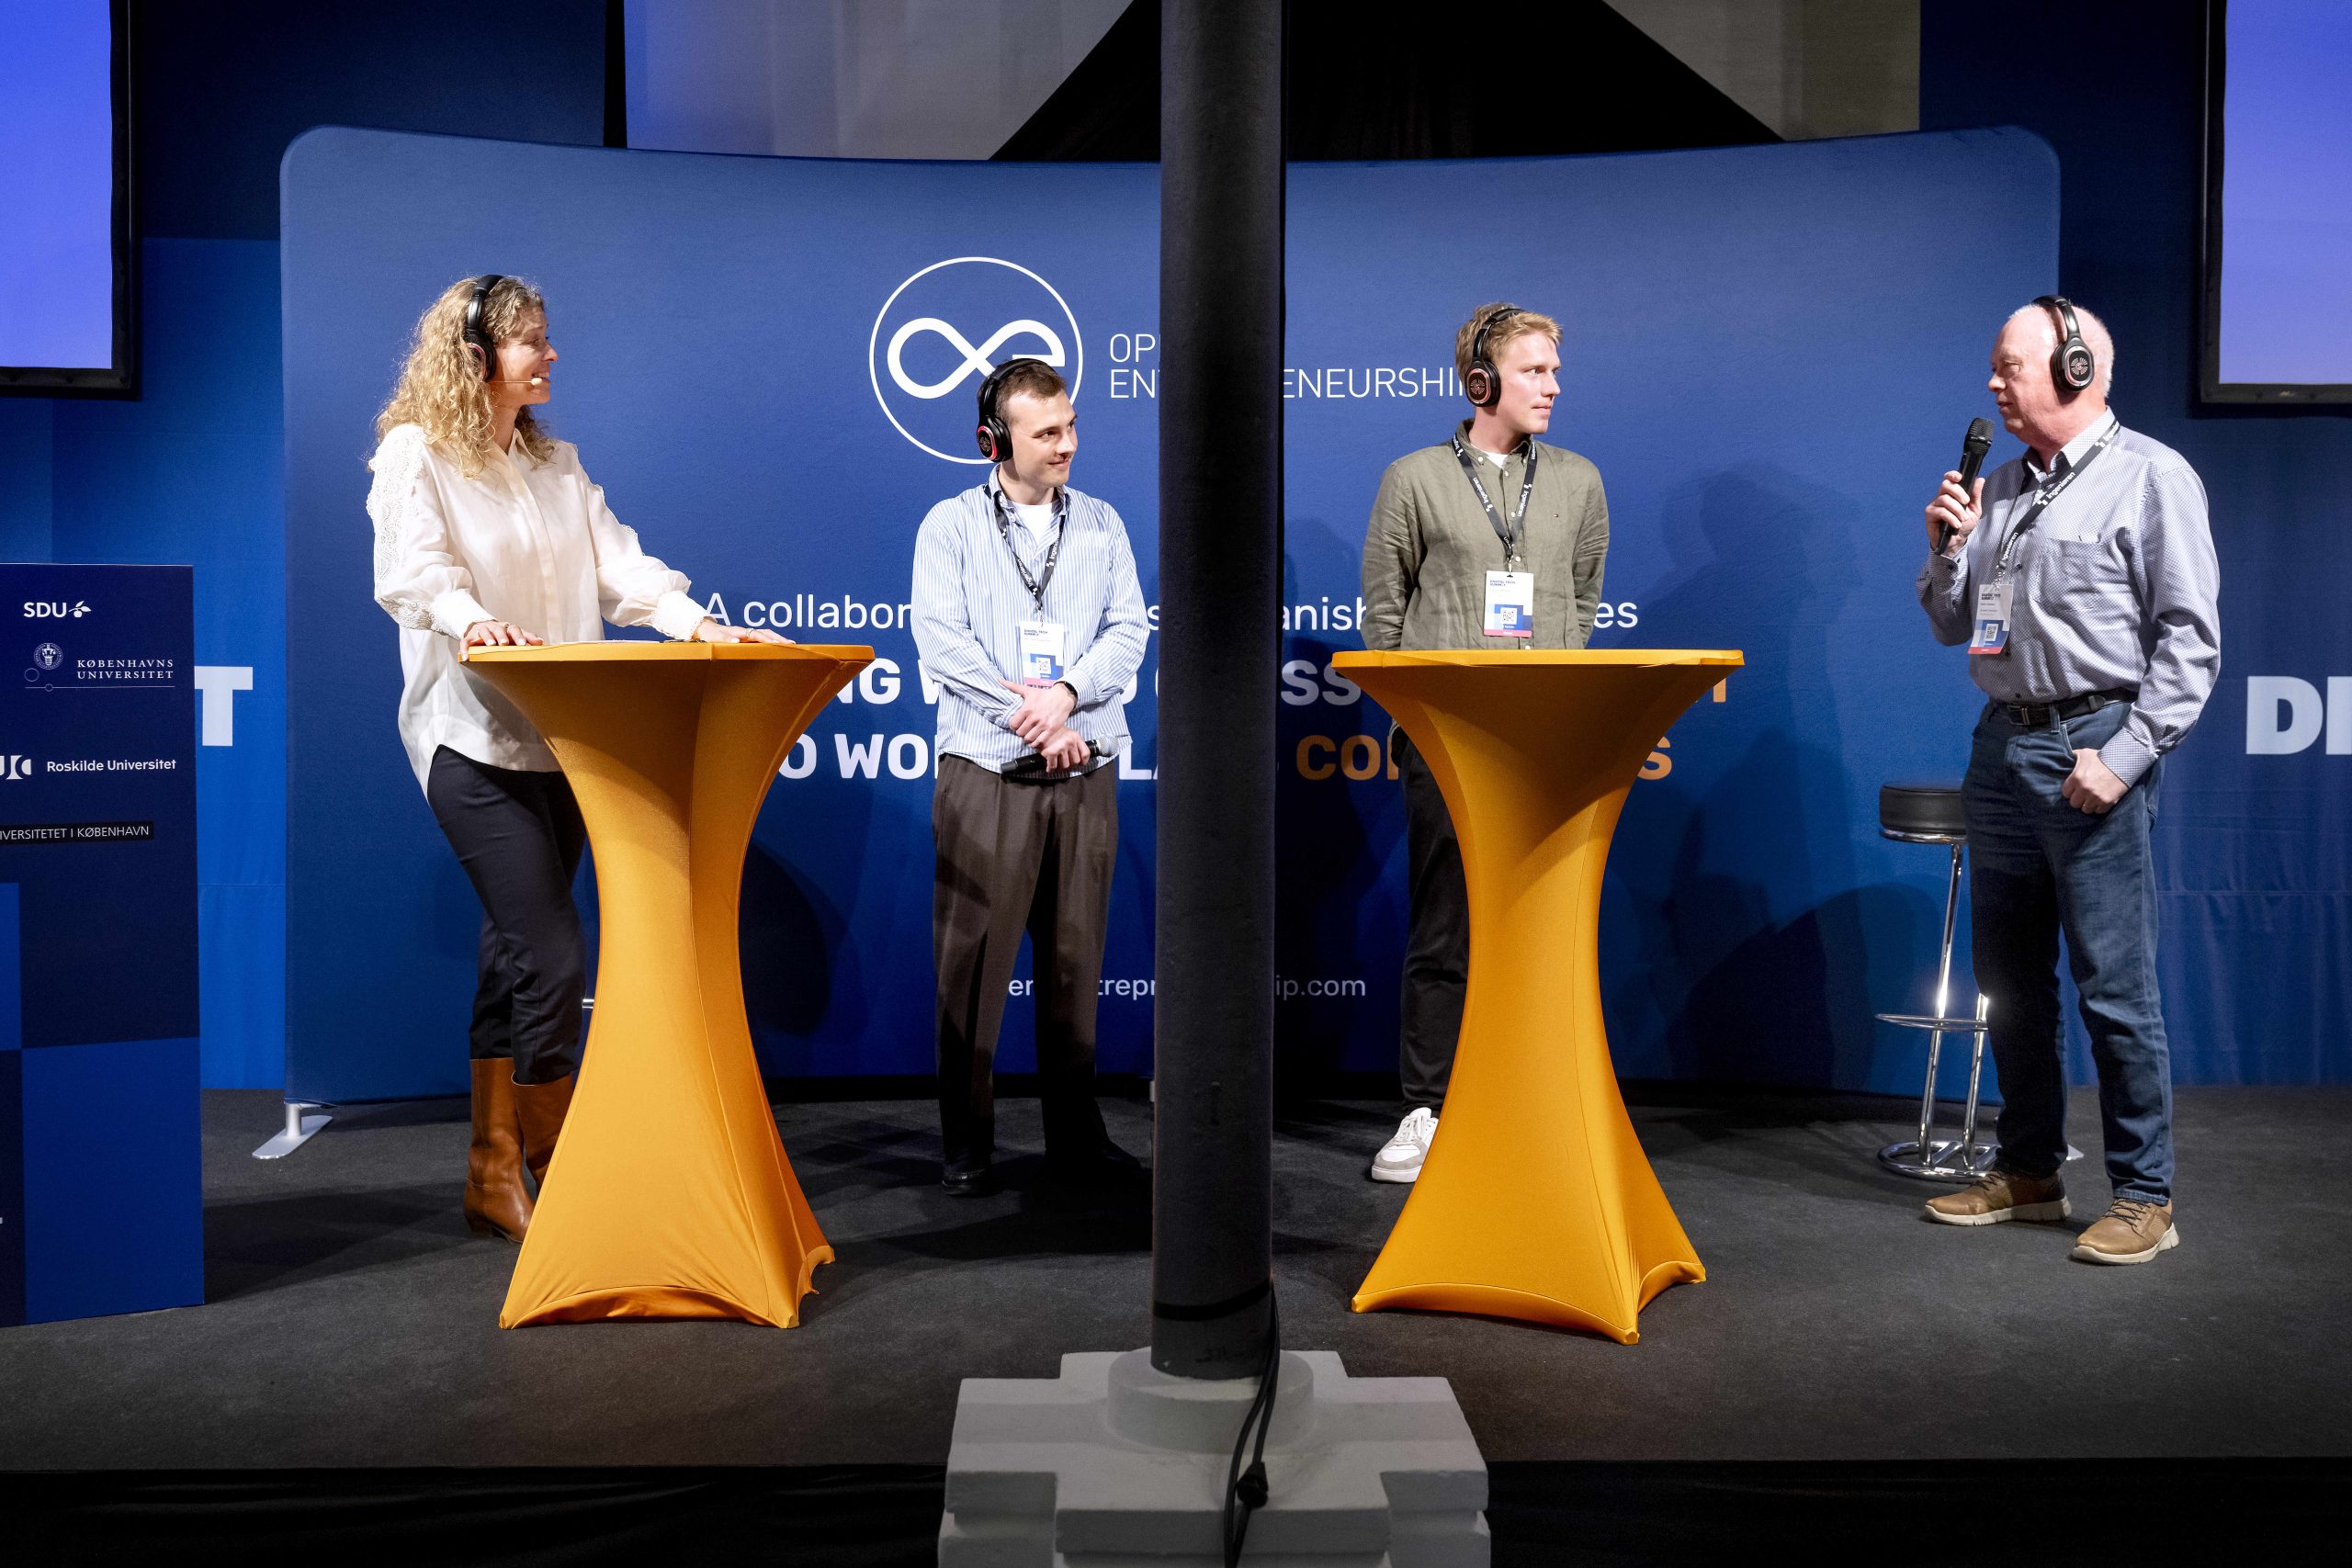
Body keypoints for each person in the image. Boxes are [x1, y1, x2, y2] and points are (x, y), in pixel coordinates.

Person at [367, 274, 783, 1243]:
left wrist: (697, 625)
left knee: (513, 954)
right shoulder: (417, 453)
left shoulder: (557, 465)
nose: (550, 355)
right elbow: (413, 572)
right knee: (552, 955)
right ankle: (561, 1167)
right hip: (469, 737)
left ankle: (491, 1168)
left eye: (546, 339)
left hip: (563, 745)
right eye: (531, 341)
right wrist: (473, 620)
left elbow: (619, 567)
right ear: (476, 357)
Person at [1916, 296, 2219, 1264]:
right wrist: (1947, 550)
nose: (1993, 383)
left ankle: (2145, 1196)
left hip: (2092, 746)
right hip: (2000, 749)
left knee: (2113, 987)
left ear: (2075, 370)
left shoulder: (2151, 477)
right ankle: (2030, 1171)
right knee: (2009, 982)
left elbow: (2190, 643)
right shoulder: (2001, 485)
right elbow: (1953, 625)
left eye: (2009, 366)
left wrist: (2124, 757)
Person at [1358, 302, 1611, 1182]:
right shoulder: (1413, 479)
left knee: (1540, 929)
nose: (1553, 386)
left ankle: (1531, 1103)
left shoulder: (1579, 481)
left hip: (1544, 743)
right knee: (1445, 928)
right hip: (1446, 745)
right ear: (1480, 381)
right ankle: (1427, 1109)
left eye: (1554, 370)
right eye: (1535, 370)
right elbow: (1384, 619)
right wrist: (1414, 722)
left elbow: (1583, 600)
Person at [910, 356, 1149, 1196]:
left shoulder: (1103, 524)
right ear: (994, 441)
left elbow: (1128, 630)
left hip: (1086, 767)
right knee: (973, 966)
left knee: (1075, 965)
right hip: (989, 769)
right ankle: (966, 1144)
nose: (1067, 444)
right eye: (1046, 432)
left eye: (1071, 426)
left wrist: (1068, 696)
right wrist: (1032, 715)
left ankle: (1075, 1138)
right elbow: (941, 639)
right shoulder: (949, 526)